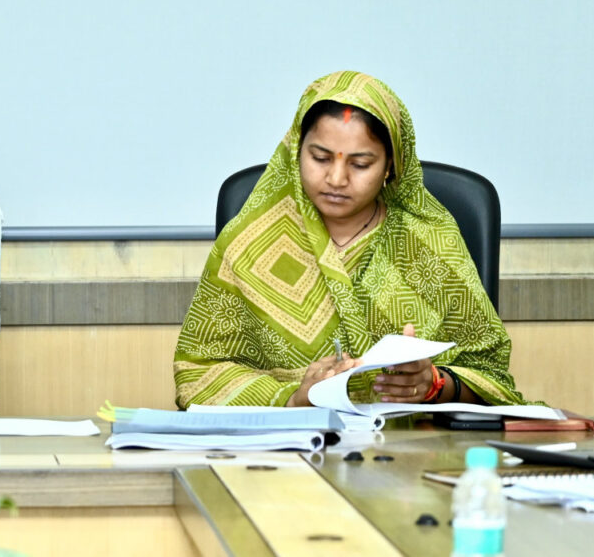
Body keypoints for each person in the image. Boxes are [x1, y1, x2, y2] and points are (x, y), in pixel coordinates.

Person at [174, 71, 525, 408]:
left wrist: (433, 384)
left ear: (390, 166)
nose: (336, 178)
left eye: (360, 164)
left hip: (409, 442)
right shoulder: (249, 242)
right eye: (320, 158)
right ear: (296, 152)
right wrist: (292, 398)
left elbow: (490, 374)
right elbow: (199, 374)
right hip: (288, 441)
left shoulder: (430, 243)